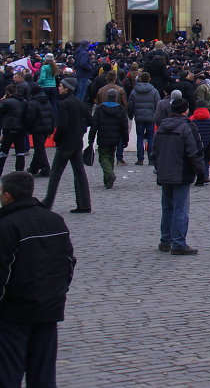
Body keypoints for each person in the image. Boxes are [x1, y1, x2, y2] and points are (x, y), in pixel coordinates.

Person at [0, 171, 74, 388]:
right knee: (43, 377)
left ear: (7, 196)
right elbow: (68, 263)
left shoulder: (6, 226)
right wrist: (58, 293)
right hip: (48, 309)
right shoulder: (55, 220)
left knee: (8, 376)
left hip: (14, 314)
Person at [154, 96, 207, 254]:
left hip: (165, 171)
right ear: (185, 111)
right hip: (181, 171)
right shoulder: (187, 127)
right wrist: (201, 171)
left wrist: (158, 168)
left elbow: (155, 151)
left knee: (167, 207)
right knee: (180, 208)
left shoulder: (162, 127)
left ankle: (165, 240)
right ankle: (178, 243)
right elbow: (194, 151)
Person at [43, 77, 91, 213]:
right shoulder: (79, 103)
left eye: (60, 86)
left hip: (65, 143)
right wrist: (80, 128)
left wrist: (57, 138)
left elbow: (62, 125)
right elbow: (90, 120)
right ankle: (85, 204)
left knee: (55, 174)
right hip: (77, 142)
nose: (58, 88)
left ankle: (47, 203)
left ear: (66, 88)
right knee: (80, 173)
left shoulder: (64, 104)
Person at [89, 88, 129, 190]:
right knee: (111, 157)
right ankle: (107, 179)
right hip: (115, 138)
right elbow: (125, 126)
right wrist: (125, 139)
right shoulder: (121, 109)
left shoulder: (100, 109)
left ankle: (109, 175)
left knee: (103, 158)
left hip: (103, 137)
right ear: (116, 97)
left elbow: (94, 126)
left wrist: (91, 139)